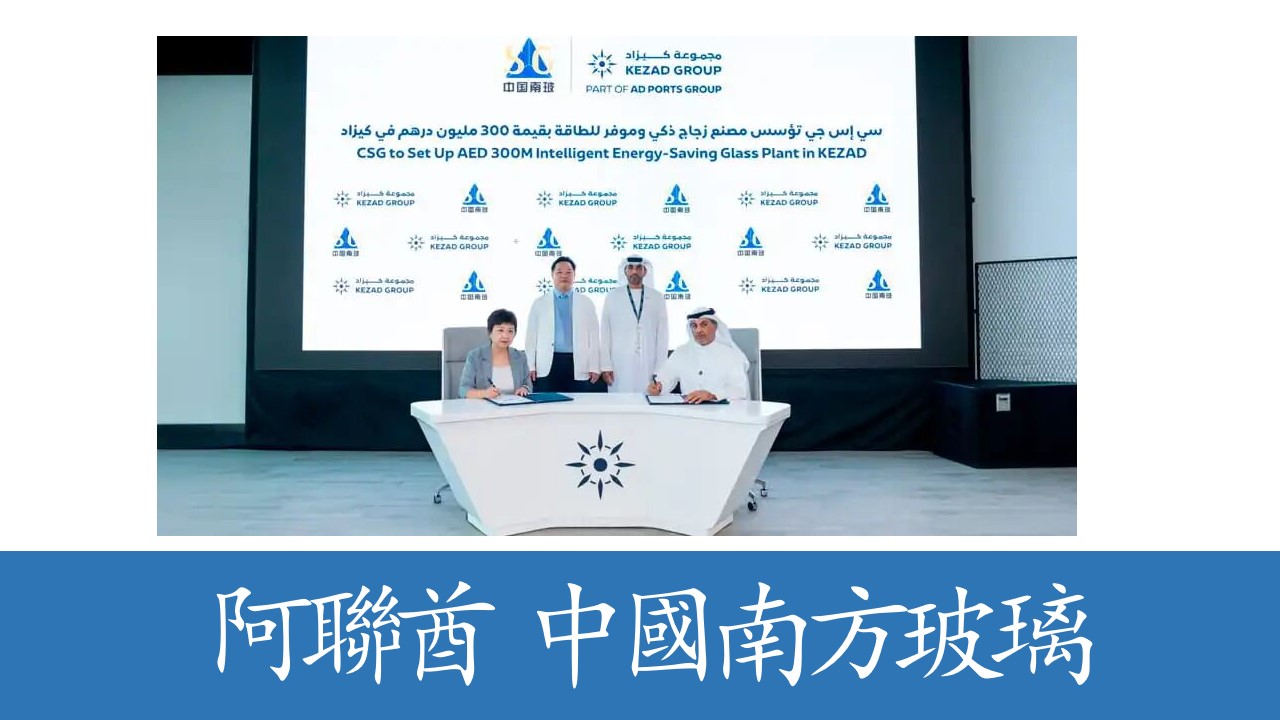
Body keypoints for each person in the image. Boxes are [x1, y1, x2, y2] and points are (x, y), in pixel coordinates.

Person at [526, 256, 602, 393]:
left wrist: (594, 366)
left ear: (574, 275)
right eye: (559, 272)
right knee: (548, 403)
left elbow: (594, 337)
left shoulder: (586, 303)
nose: (564, 276)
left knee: (577, 403)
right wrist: (530, 366)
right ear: (552, 275)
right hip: (548, 362)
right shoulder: (539, 303)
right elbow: (531, 338)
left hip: (577, 361)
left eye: (568, 272)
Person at [648, 307, 750, 403]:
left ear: (715, 327)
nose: (698, 330)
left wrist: (712, 395)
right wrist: (658, 387)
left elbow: (739, 389)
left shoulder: (731, 355)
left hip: (722, 412)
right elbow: (666, 378)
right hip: (689, 411)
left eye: (704, 324)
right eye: (694, 326)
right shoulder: (681, 352)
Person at [600, 255, 669, 394]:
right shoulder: (613, 296)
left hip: (648, 362)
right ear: (625, 271)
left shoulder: (657, 297)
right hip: (619, 363)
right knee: (620, 400)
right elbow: (605, 333)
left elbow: (663, 335)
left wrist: (660, 369)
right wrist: (606, 366)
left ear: (645, 271)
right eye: (630, 268)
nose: (634, 271)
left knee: (647, 398)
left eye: (639, 268)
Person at [458, 308, 533, 399]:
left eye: (510, 331)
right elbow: (463, 390)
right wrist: (485, 393)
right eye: (500, 330)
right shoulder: (475, 356)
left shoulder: (520, 357)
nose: (505, 335)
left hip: (514, 406)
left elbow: (528, 385)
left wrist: (524, 389)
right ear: (490, 332)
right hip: (483, 407)